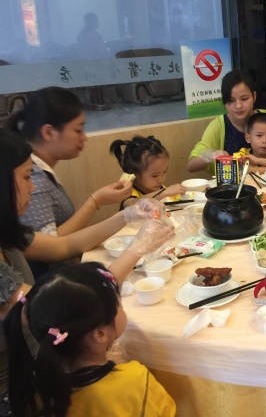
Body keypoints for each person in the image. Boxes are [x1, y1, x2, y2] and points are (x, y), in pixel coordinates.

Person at [0, 127, 172, 411]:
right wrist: (138, 248)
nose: (33, 187)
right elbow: (69, 308)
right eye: (27, 177)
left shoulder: (7, 231)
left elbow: (65, 245)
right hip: (18, 390)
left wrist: (127, 215)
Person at [4, 261, 176, 417]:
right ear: (100, 334)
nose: (121, 306)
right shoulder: (135, 380)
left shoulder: (36, 391)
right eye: (118, 303)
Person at [10, 87, 132, 278]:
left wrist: (127, 215)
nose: (84, 137)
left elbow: (63, 245)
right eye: (77, 130)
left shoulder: (41, 172)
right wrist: (96, 201)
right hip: (53, 281)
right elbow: (54, 245)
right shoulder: (36, 177)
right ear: (49, 132)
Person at [187, 70, 266, 175]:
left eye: (244, 99)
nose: (238, 106)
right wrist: (211, 155)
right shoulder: (218, 126)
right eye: (231, 101)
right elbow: (191, 165)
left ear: (254, 96)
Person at [110, 135, 186, 209]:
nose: (161, 179)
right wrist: (164, 193)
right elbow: (131, 205)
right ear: (135, 173)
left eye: (164, 172)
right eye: (155, 175)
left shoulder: (158, 187)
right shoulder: (129, 192)